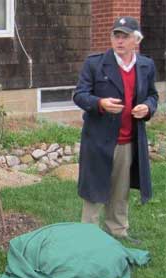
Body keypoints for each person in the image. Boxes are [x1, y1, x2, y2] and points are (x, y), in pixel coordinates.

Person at [73, 16, 158, 244]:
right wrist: (99, 103)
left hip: (128, 140)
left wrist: (147, 107)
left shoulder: (146, 65)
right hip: (98, 139)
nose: (119, 41)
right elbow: (79, 95)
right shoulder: (95, 63)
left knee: (120, 190)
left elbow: (153, 95)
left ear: (135, 40)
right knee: (94, 187)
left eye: (125, 36)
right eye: (116, 36)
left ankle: (118, 230)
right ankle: (88, 233)